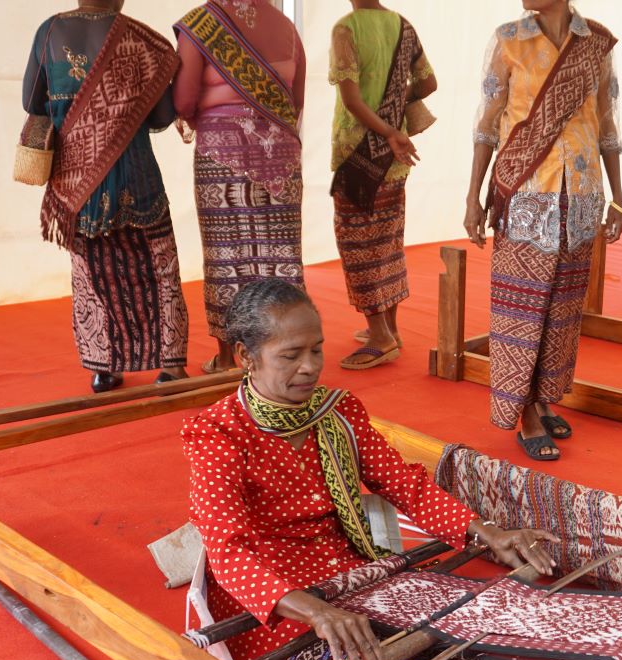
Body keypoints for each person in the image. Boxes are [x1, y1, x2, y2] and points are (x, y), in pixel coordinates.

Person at [182, 279, 622, 660]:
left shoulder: (337, 413)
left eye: (316, 349)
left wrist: (488, 534)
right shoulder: (216, 433)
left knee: (478, 650)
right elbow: (228, 551)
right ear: (247, 357)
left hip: (364, 580)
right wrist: (316, 612)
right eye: (290, 356)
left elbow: (404, 484)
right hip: (285, 617)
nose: (311, 367)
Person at [464, 0, 622, 461]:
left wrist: (617, 197)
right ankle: (525, 413)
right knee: (522, 311)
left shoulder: (597, 42)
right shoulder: (509, 39)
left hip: (580, 199)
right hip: (525, 197)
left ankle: (542, 397)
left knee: (561, 314)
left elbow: (607, 124)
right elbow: (487, 126)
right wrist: (473, 196)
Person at [24, 0, 190, 393]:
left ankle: (105, 368)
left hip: (78, 181)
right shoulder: (143, 41)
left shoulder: (49, 32)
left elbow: (32, 101)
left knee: (93, 274)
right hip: (138, 178)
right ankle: (171, 368)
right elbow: (164, 116)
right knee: (158, 269)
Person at [174, 0, 306, 374]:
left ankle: (229, 359)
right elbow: (295, 103)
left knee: (227, 258)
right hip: (280, 158)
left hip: (222, 157)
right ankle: (286, 353)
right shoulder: (287, 27)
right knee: (280, 258)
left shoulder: (200, 25)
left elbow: (183, 100)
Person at [328, 0, 437, 370]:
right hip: (394, 160)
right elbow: (429, 82)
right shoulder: (403, 26)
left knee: (357, 244)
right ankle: (391, 327)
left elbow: (351, 99)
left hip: (359, 153)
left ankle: (379, 336)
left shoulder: (347, 28)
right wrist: (393, 111)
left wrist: (386, 127)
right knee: (388, 242)